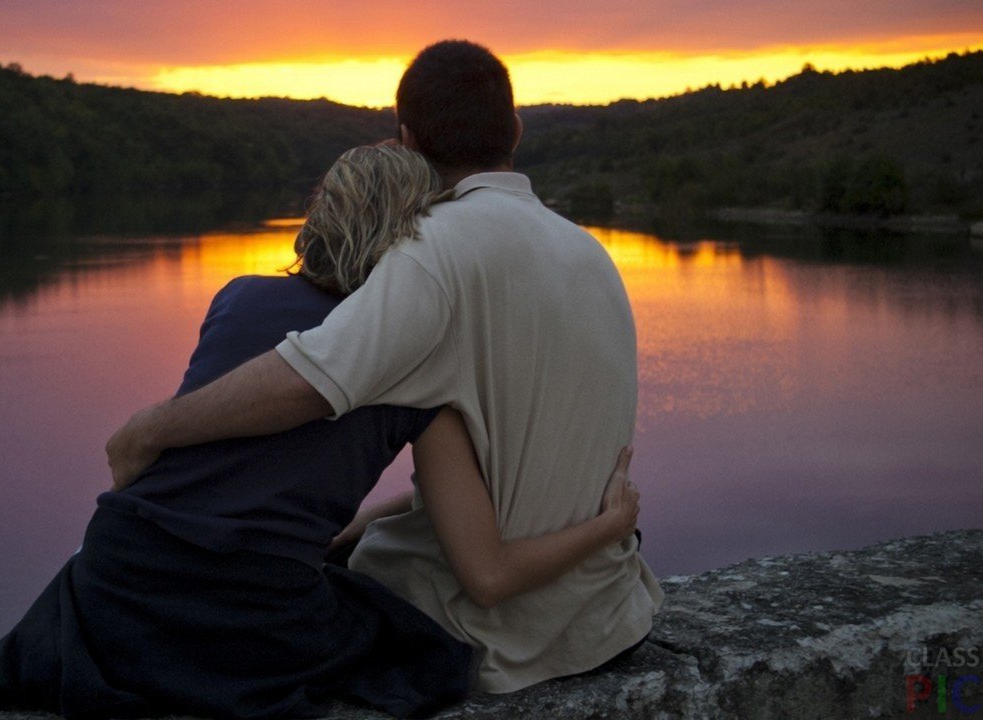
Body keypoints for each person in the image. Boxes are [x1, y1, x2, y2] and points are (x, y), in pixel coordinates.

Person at [0, 144, 642, 720]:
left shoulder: (236, 296)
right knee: (422, 650)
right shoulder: (417, 361)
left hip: (113, 578)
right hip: (245, 610)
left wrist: (339, 534)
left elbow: (245, 473)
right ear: (418, 237)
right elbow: (486, 572)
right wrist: (608, 525)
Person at [105, 40, 664, 693]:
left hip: (497, 638)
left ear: (405, 139)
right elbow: (502, 476)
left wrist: (150, 430)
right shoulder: (591, 254)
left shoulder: (433, 250)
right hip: (608, 618)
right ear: (515, 128)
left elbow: (306, 380)